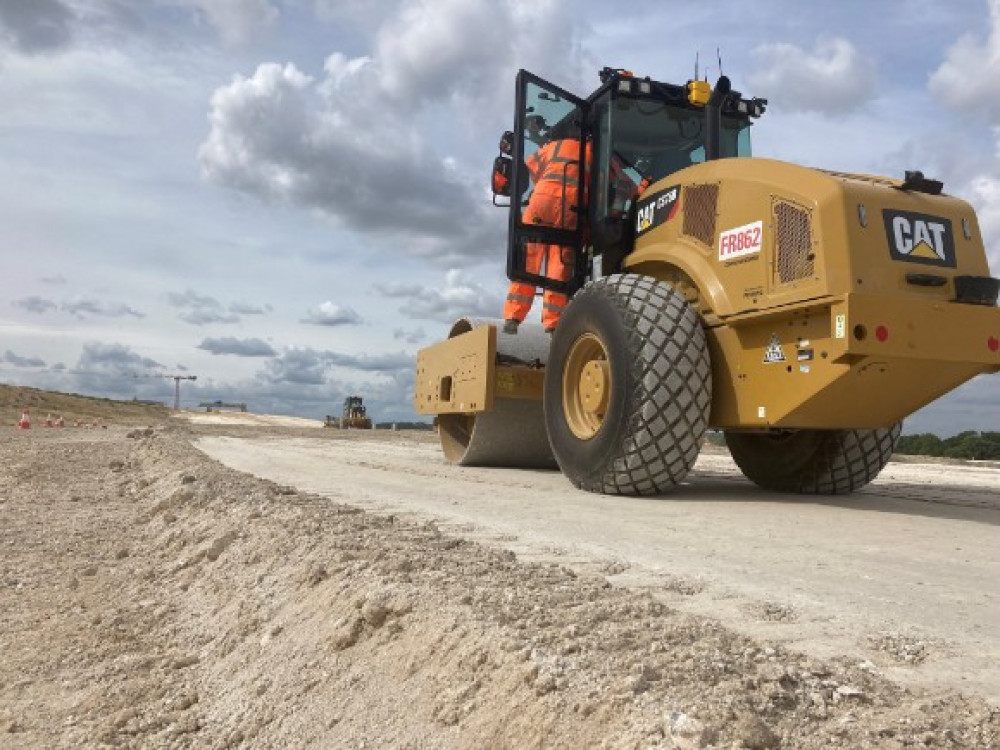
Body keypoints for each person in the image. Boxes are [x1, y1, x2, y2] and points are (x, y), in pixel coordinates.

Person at [503, 136, 589, 334]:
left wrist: (545, 182)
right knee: (559, 265)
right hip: (569, 207)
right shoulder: (593, 150)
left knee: (527, 260)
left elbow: (528, 170)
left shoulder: (553, 146)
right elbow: (614, 186)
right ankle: (552, 323)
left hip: (541, 201)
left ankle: (513, 317)